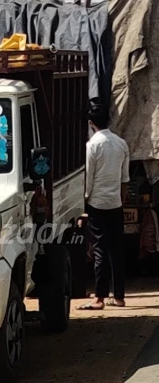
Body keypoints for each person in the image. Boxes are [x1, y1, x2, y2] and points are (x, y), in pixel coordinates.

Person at [77, 103, 130, 310]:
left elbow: (89, 178)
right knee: (117, 251)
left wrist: (84, 204)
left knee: (100, 250)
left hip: (96, 203)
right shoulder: (121, 143)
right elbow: (124, 178)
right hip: (115, 203)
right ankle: (119, 297)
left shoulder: (92, 145)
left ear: (91, 123)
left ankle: (99, 297)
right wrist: (121, 202)